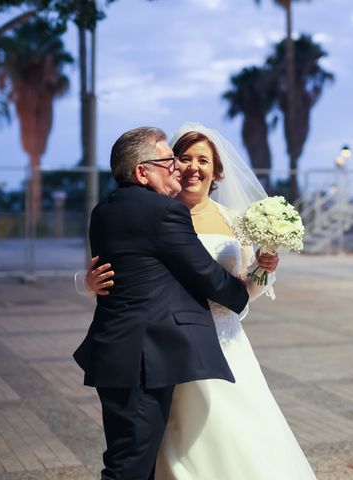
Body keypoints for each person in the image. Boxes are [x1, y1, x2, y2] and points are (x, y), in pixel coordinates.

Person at [79, 123, 317, 479]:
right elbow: (124, 268)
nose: (189, 166)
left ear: (216, 170)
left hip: (218, 339)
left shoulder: (234, 222)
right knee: (152, 449)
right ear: (158, 167)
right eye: (180, 158)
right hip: (168, 348)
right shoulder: (162, 210)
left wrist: (262, 270)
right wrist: (86, 283)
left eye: (202, 160)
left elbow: (246, 288)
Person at [73, 126, 250, 480]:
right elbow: (204, 273)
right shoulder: (163, 213)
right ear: (142, 172)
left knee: (135, 457)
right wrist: (240, 291)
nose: (178, 168)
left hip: (117, 353)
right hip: (144, 359)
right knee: (129, 467)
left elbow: (135, 273)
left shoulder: (104, 210)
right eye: (169, 160)